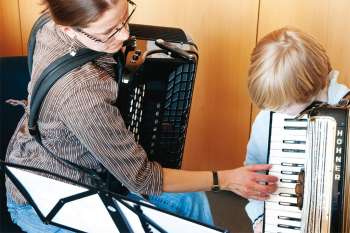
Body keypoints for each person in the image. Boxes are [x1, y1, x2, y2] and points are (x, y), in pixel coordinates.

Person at [5, 0, 278, 232]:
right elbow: (142, 179)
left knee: (190, 196)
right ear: (69, 29)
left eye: (125, 19)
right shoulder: (81, 92)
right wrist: (226, 179)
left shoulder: (51, 22)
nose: (124, 36)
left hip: (79, 155)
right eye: (109, 31)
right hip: (50, 199)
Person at [244, 25, 350, 233]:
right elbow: (253, 176)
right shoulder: (269, 117)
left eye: (285, 105)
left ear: (317, 82)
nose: (277, 111)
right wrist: (259, 219)